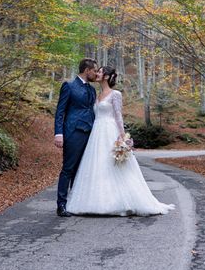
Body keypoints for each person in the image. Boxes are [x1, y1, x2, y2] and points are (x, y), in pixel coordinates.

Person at [66, 66, 175, 216]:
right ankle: (95, 202)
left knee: (115, 165)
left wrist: (123, 136)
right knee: (97, 166)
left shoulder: (115, 94)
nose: (96, 73)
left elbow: (118, 115)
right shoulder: (96, 94)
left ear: (106, 76)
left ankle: (123, 201)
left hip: (110, 131)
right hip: (96, 134)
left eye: (99, 71)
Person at [54, 58, 99, 217]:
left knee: (82, 169)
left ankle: (75, 203)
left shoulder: (92, 90)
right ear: (87, 70)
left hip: (91, 133)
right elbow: (60, 111)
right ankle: (61, 205)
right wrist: (58, 133)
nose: (95, 73)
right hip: (73, 132)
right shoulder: (69, 86)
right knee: (68, 168)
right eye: (94, 70)